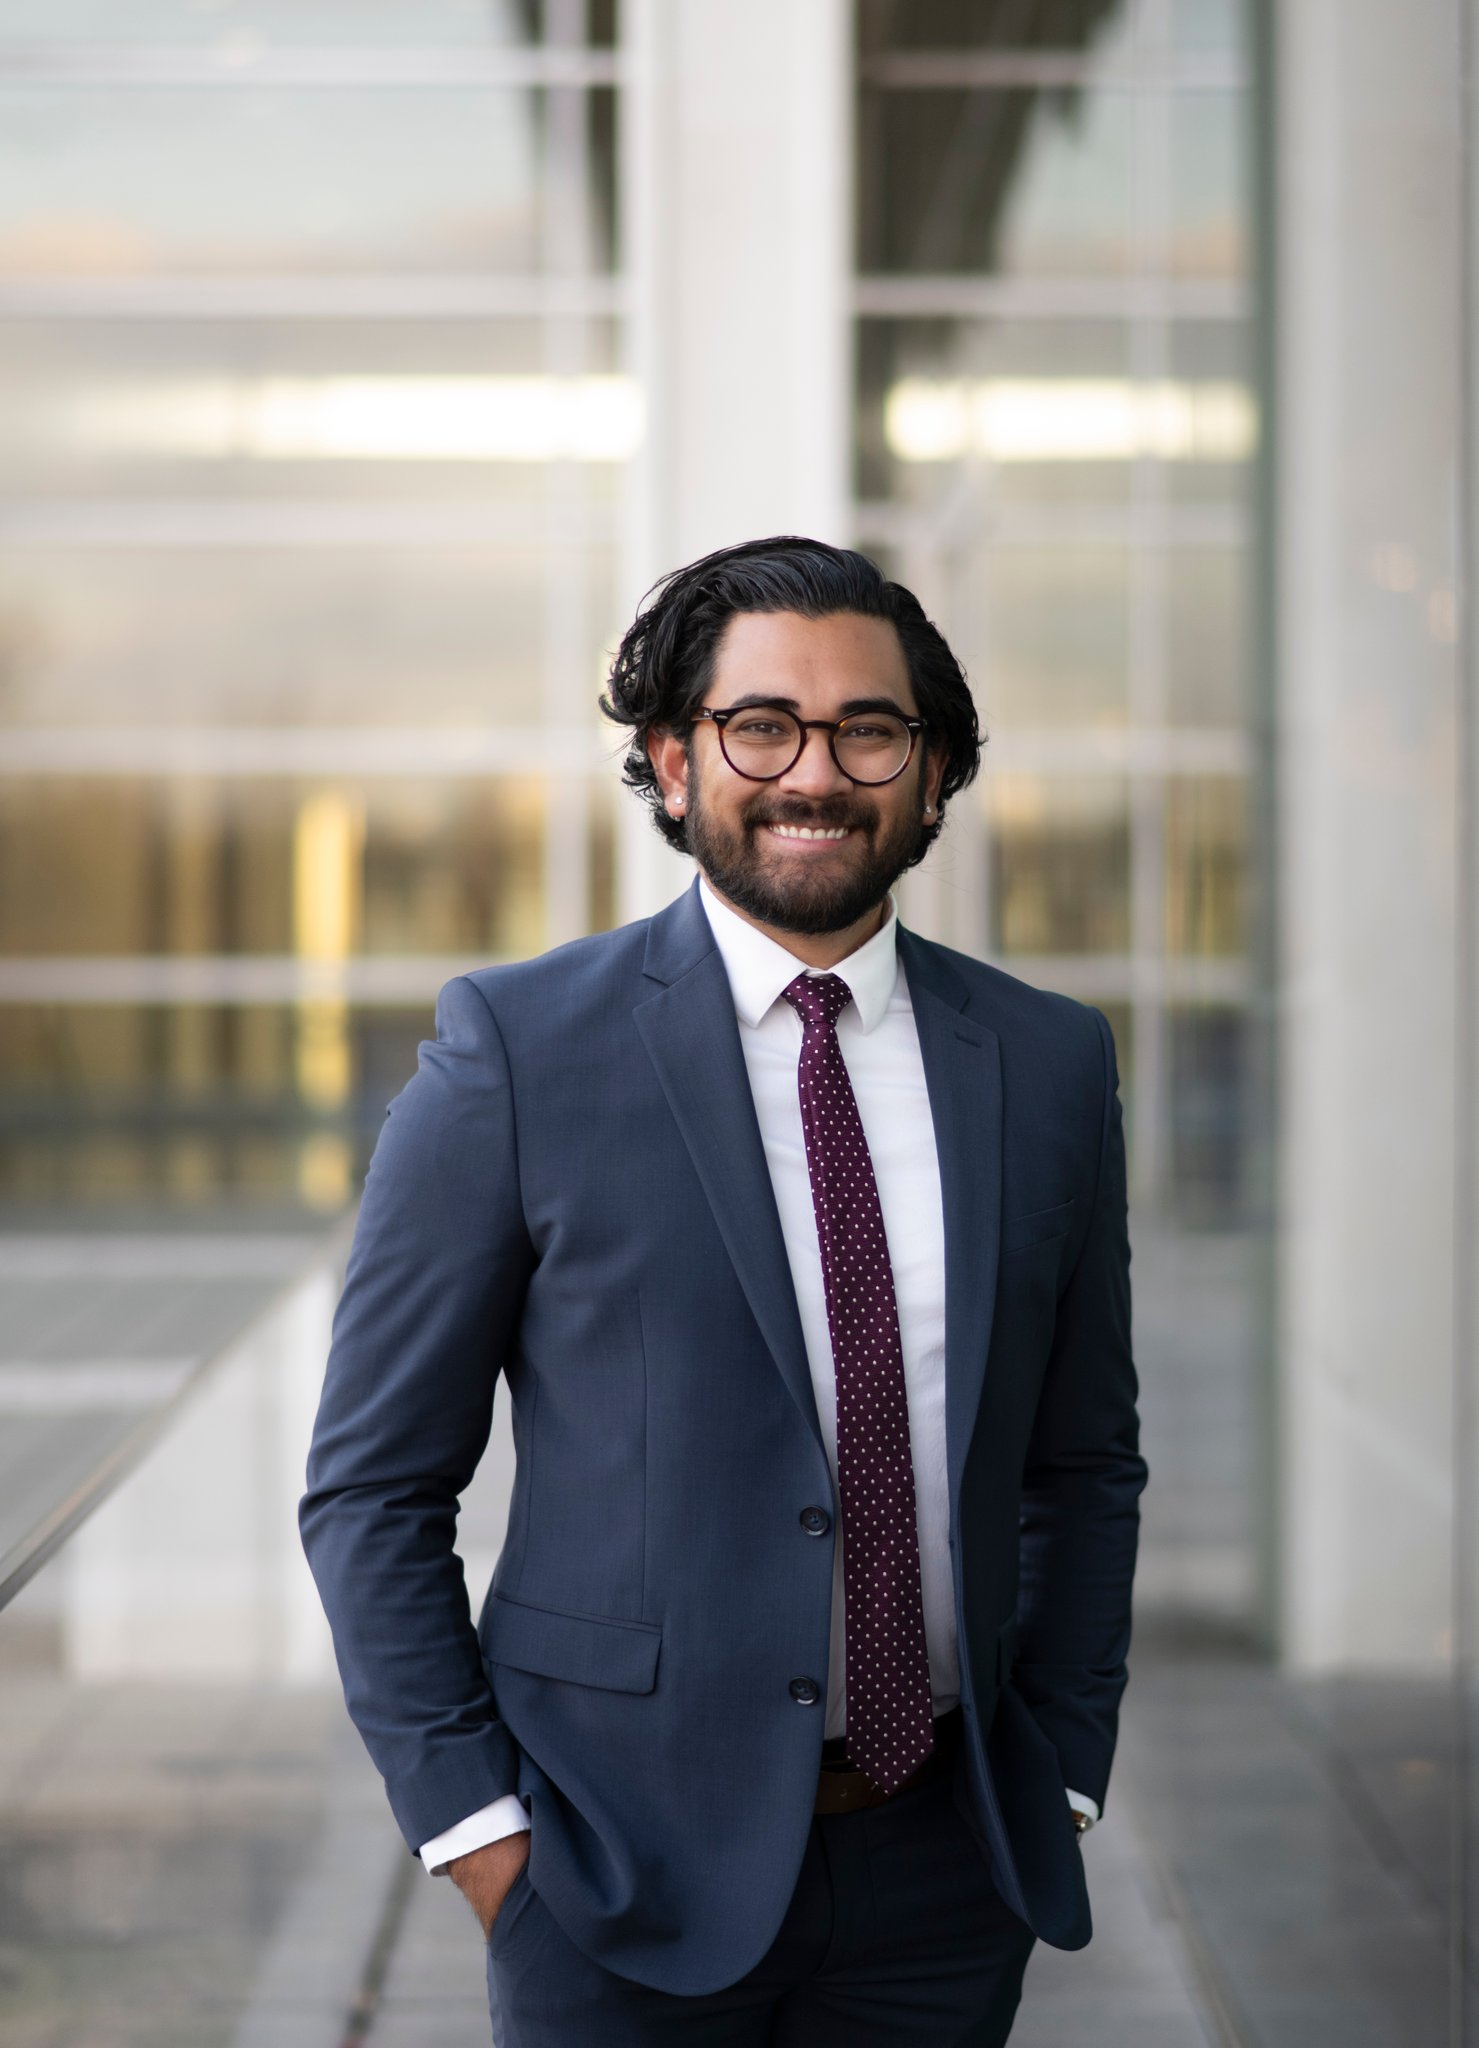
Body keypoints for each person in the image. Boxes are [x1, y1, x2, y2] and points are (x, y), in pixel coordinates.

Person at [300, 536, 1146, 2046]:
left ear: (932, 773)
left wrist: (1063, 1769)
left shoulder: (1047, 1063)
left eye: (866, 730)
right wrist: (482, 1838)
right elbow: (371, 1486)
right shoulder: (516, 1051)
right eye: (760, 726)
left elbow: (1080, 1466)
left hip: (945, 1864)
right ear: (673, 763)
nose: (812, 773)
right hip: (612, 1870)